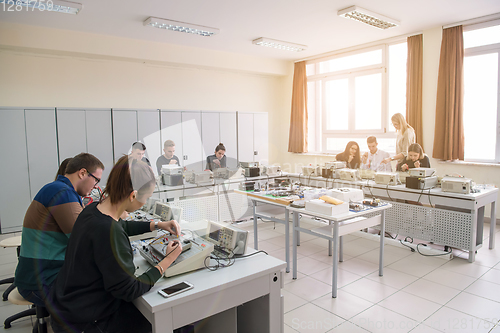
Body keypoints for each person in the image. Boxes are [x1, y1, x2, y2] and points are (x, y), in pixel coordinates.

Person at [49, 156, 182, 333]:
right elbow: (130, 289)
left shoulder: (93, 210)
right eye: (146, 197)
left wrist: (157, 224)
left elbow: (121, 225)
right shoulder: (108, 231)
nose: (144, 203)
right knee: (171, 323)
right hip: (87, 322)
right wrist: (167, 260)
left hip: (69, 306)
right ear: (133, 195)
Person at [15, 153, 104, 307]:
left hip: (38, 276)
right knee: (109, 291)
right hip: (42, 282)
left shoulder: (58, 189)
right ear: (82, 173)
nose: (96, 186)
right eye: (96, 179)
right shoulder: (62, 192)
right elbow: (84, 240)